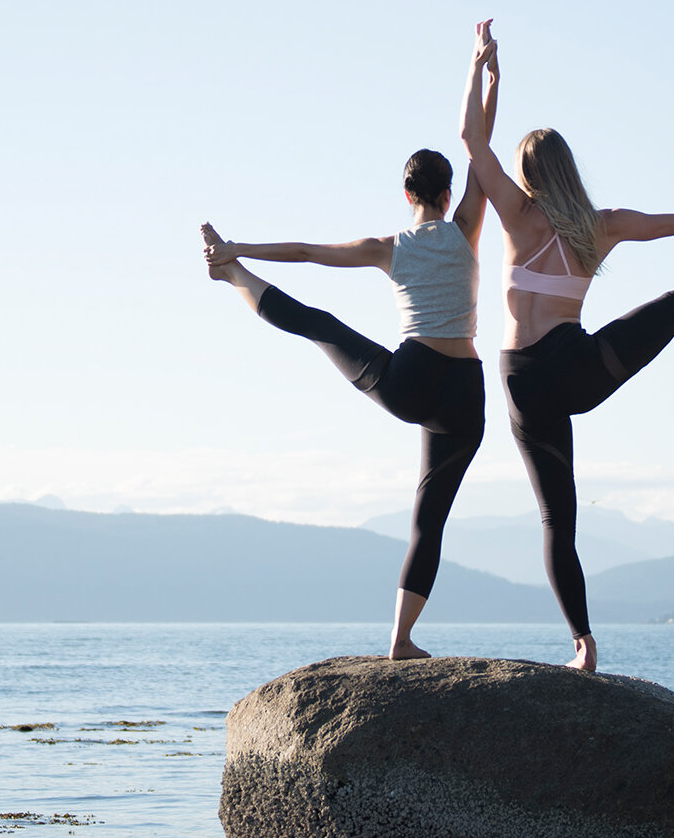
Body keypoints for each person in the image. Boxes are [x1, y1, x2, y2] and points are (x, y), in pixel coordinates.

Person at [460, 19, 674, 673]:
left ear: (531, 175)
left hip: (521, 380)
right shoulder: (600, 226)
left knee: (555, 519)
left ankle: (582, 644)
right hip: (580, 370)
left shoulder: (516, 214)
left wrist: (483, 68)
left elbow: (471, 140)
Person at [200, 79, 496, 659]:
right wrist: (485, 76)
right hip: (465, 393)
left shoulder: (391, 246)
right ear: (449, 192)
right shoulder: (466, 230)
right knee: (429, 520)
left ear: (406, 191)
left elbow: (310, 251)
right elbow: (479, 146)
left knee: (322, 325)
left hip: (411, 383)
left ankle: (231, 276)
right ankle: (401, 639)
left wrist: (240, 251)